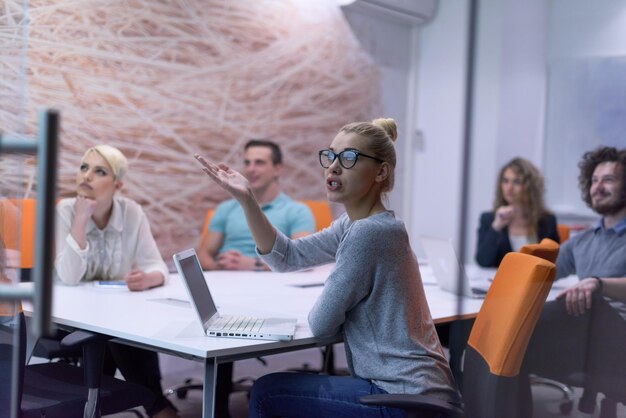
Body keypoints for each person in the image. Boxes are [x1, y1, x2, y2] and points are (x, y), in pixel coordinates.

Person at [196, 118, 460, 417]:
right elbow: (287, 257)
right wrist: (247, 200)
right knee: (274, 389)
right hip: (418, 391)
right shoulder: (355, 224)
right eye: (331, 155)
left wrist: (340, 283)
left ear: (381, 171)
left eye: (349, 158)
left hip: (404, 397)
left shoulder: (369, 233)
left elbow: (321, 324)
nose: (333, 167)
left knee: (268, 393)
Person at [54, 144, 179, 418]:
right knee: (116, 333)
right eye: (83, 168)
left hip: (112, 315)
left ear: (117, 184)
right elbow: (69, 277)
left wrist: (148, 279)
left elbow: (157, 266)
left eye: (99, 171)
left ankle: (93, 406)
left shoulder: (131, 212)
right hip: (66, 318)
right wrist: (80, 220)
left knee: (117, 329)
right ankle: (156, 405)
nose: (86, 176)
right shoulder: (64, 210)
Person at [519, 146, 626, 417]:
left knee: (522, 328)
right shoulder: (584, 240)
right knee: (515, 338)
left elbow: (596, 288)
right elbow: (545, 270)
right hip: (587, 337)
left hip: (618, 337)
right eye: (594, 180)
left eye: (609, 179)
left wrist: (597, 283)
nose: (598, 186)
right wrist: (510, 278)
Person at [197, 139, 315, 271]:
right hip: (226, 280)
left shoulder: (297, 211)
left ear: (277, 169)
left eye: (259, 163)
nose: (251, 169)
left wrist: (254, 264)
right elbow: (203, 255)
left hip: (272, 284)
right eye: (247, 163)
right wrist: (221, 267)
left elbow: (303, 259)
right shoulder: (225, 209)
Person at [476, 157, 560, 267]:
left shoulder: (547, 220)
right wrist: (496, 226)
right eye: (505, 181)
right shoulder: (489, 219)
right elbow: (483, 261)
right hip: (503, 282)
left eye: (516, 182)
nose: (509, 188)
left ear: (530, 187)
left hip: (535, 282)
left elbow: (555, 262)